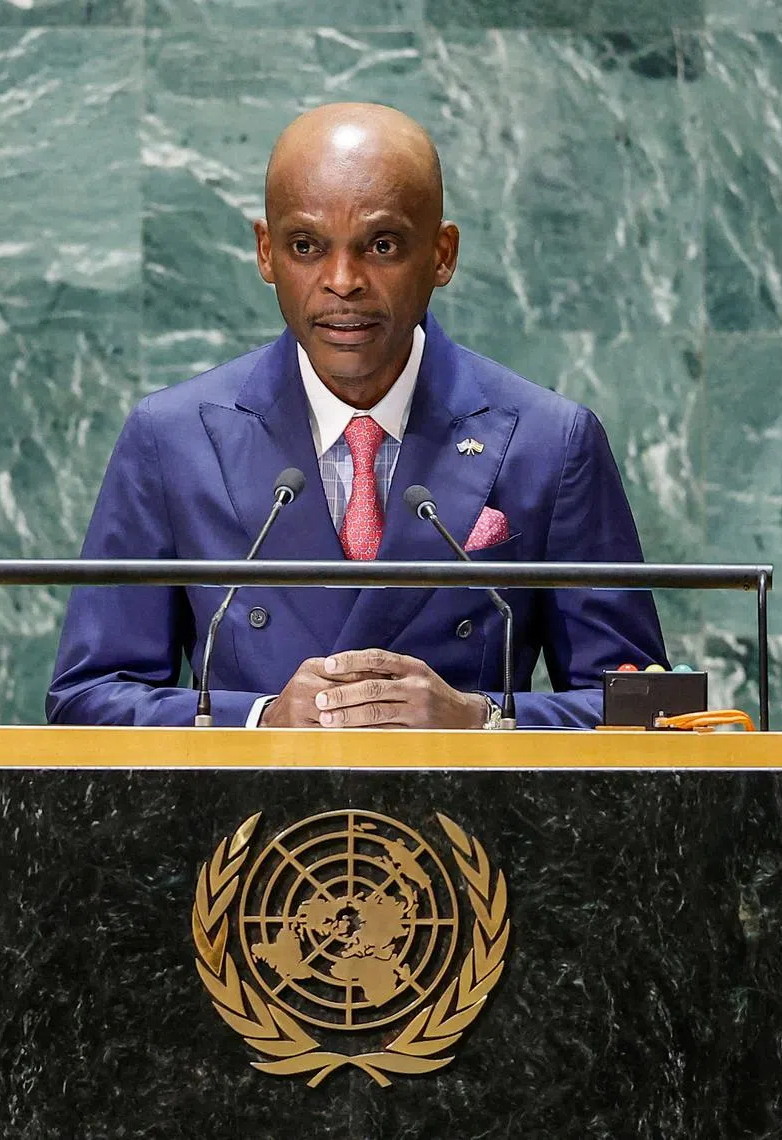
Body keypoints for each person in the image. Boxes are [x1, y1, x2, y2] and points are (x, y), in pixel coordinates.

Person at [47, 102, 666, 730]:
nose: (343, 281)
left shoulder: (551, 442)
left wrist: (478, 721)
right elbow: (89, 698)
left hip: (469, 826)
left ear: (442, 254)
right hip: (252, 827)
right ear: (266, 253)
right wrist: (261, 719)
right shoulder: (173, 439)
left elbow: (646, 714)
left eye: (383, 244)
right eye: (306, 246)